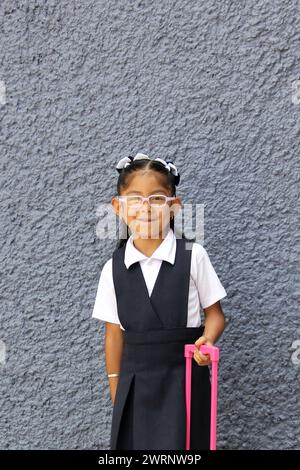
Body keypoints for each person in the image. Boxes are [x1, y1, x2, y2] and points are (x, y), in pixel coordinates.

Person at [92, 152, 227, 450]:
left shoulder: (193, 257)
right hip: (134, 384)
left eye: (156, 198)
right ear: (118, 207)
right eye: (135, 199)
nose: (145, 208)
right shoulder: (113, 269)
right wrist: (118, 390)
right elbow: (113, 333)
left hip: (185, 379)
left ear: (174, 207)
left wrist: (208, 339)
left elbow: (216, 314)